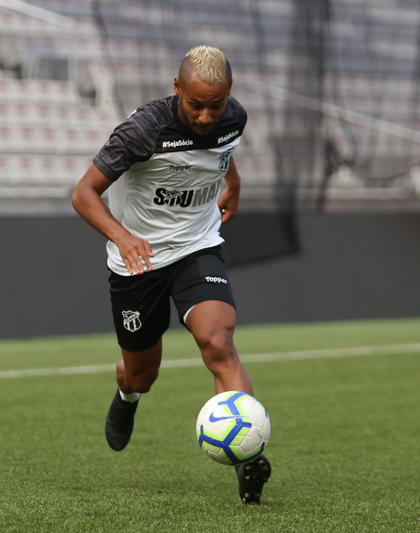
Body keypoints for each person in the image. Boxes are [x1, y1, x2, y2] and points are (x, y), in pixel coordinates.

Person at [71, 45, 271, 504]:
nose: (205, 117)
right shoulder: (144, 130)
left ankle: (248, 460)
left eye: (214, 106)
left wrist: (233, 185)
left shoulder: (232, 119)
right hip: (137, 262)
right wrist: (122, 237)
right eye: (196, 104)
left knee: (219, 344)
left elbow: (223, 152)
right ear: (177, 88)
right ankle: (127, 397)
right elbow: (84, 194)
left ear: (229, 96)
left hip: (196, 247)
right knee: (142, 375)